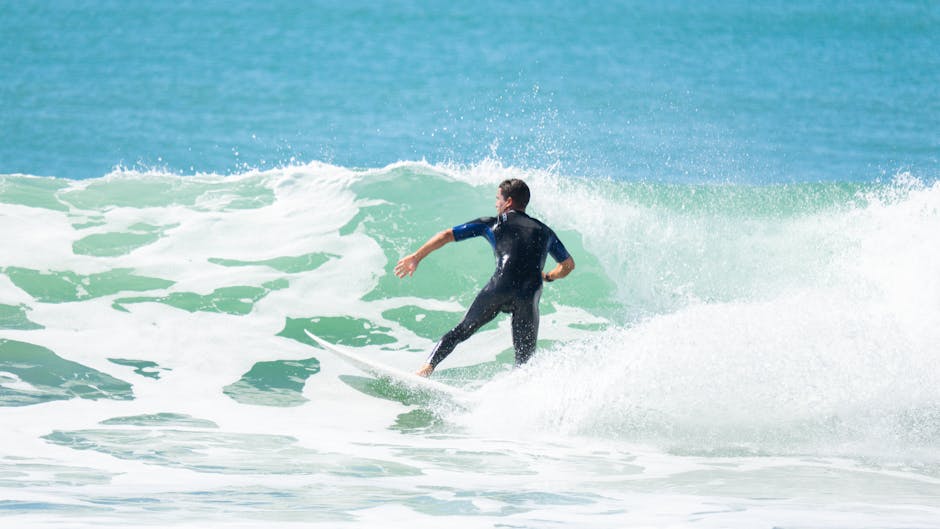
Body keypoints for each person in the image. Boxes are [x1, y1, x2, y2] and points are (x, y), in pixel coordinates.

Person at [394, 179, 575, 377]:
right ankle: (520, 391)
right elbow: (568, 265)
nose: (496, 204)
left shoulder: (493, 224)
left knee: (461, 330)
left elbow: (447, 235)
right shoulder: (545, 232)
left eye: (498, 199)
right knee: (525, 361)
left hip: (501, 286)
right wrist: (548, 276)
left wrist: (416, 257)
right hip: (529, 293)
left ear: (508, 202)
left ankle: (426, 368)